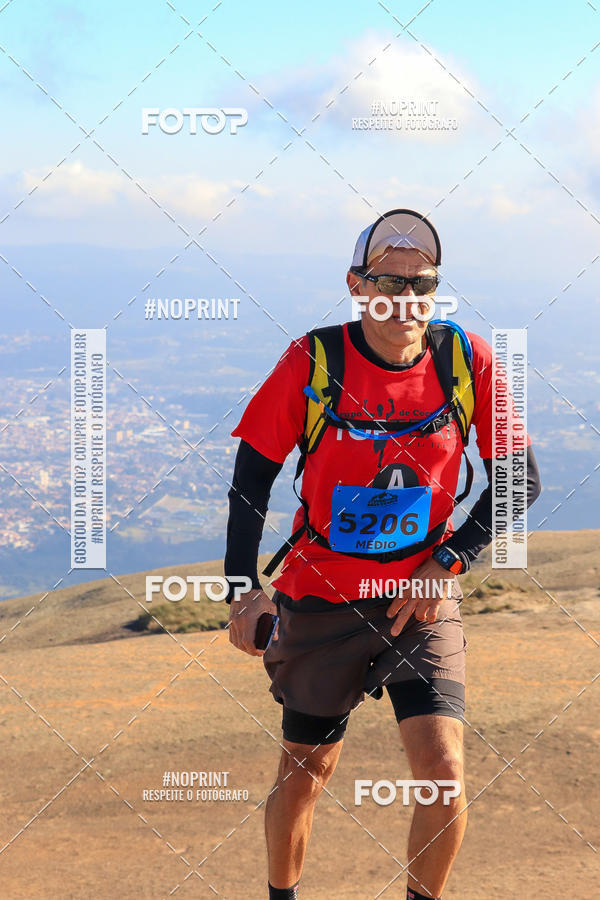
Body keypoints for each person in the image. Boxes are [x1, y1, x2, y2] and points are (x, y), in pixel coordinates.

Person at [224, 209, 541, 900]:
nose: (405, 297)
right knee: (306, 770)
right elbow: (252, 477)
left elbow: (522, 478)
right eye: (386, 280)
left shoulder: (467, 362)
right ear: (357, 286)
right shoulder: (313, 361)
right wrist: (242, 589)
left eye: (421, 283)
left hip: (419, 601)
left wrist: (447, 563)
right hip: (321, 596)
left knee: (444, 770)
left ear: (435, 291)